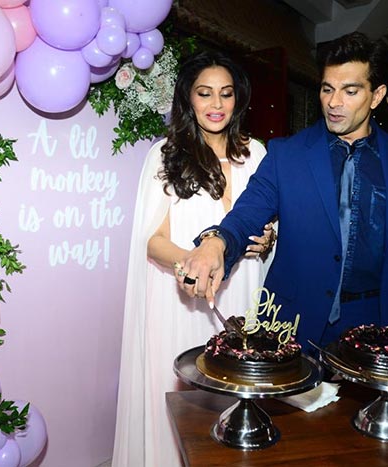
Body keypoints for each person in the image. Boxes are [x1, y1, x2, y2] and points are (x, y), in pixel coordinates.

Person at [179, 32, 388, 352]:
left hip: (376, 322)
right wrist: (217, 243)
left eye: (350, 91)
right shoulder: (287, 154)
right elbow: (248, 213)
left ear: (377, 95)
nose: (333, 102)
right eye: (327, 89)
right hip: (293, 324)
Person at [112, 51, 275, 467]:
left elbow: (273, 221)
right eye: (205, 94)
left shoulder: (257, 153)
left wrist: (269, 239)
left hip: (245, 295)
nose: (216, 104)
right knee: (187, 407)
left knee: (239, 403)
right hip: (184, 300)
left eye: (226, 94)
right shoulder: (165, 154)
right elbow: (152, 241)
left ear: (238, 99)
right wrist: (197, 263)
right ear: (188, 98)